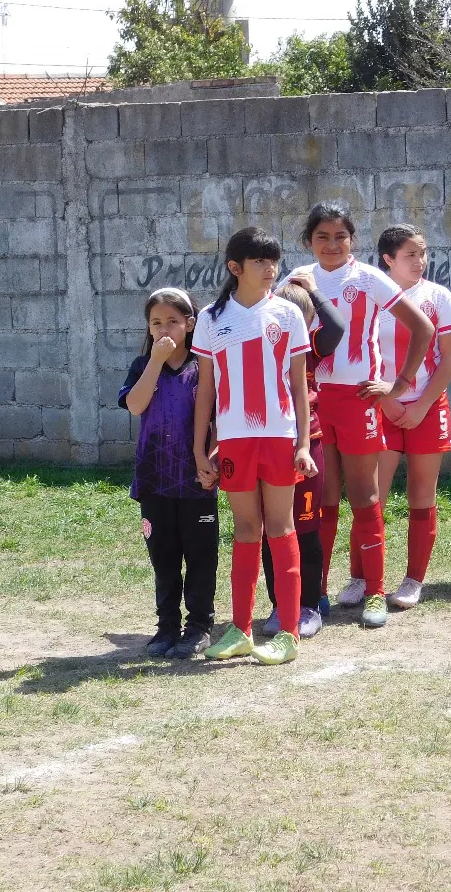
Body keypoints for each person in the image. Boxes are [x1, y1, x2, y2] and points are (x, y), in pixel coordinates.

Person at [285, 202, 433, 629]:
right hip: (311, 402)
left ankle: (373, 593)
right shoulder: (297, 279)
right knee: (322, 500)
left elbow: (423, 328)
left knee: (366, 499)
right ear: (309, 242)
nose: (332, 244)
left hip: (357, 401)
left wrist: (399, 385)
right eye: (322, 237)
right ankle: (317, 594)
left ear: (353, 239)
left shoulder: (369, 278)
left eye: (340, 236)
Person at [192, 227, 317, 666]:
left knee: (281, 528)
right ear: (235, 268)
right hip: (234, 441)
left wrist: (303, 443)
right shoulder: (210, 318)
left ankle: (287, 631)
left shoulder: (288, 314)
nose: (270, 269)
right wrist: (200, 446)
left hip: (280, 437)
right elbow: (206, 390)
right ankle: (241, 629)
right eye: (261, 262)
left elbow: (300, 387)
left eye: (274, 261)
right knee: (246, 531)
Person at [118, 287, 218, 660]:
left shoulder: (204, 367)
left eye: (173, 321)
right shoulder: (142, 366)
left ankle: (199, 626)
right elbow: (135, 405)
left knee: (201, 554)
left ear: (190, 325)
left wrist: (212, 457)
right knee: (163, 556)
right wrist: (155, 362)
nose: (164, 329)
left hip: (196, 479)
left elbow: (218, 417)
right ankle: (167, 626)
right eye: (156, 322)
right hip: (155, 479)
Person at [370, 225, 451, 609]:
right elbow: (361, 353)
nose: (420, 261)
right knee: (371, 496)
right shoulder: (372, 295)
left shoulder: (438, 296)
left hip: (428, 406)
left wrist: (422, 404)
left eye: (422, 253)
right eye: (410, 255)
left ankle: (413, 580)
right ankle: (364, 577)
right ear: (388, 259)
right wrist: (387, 401)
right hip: (381, 407)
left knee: (421, 496)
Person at [260, 277, 346, 639]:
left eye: (300, 314)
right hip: (269, 442)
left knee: (307, 528)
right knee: (271, 530)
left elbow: (338, 327)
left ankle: (309, 603)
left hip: (306, 444)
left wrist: (313, 290)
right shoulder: (260, 342)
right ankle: (281, 604)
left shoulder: (311, 346)